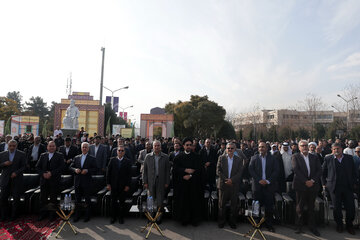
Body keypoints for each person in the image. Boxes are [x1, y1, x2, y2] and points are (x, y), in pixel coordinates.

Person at [322, 142, 357, 235]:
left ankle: (349, 225)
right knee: (337, 208)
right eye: (334, 149)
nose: (336, 150)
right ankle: (339, 225)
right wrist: (324, 184)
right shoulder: (328, 158)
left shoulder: (349, 158)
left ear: (342, 149)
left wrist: (353, 183)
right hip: (334, 188)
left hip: (347, 187)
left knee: (350, 207)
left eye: (338, 148)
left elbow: (354, 172)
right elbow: (323, 172)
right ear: (332, 150)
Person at [292, 140, 321, 236]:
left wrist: (312, 181)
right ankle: (298, 226)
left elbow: (319, 170)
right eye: (302, 146)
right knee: (299, 207)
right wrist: (306, 181)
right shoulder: (295, 157)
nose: (304, 147)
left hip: (312, 186)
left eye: (306, 145)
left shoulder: (314, 157)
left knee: (311, 207)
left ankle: (312, 227)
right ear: (299, 147)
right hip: (301, 186)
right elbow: (296, 170)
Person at [173, 137, 204, 226]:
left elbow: (200, 170)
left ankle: (195, 220)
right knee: (184, 202)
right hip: (182, 184)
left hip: (194, 184)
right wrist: (184, 171)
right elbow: (175, 170)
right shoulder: (178, 157)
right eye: (187, 145)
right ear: (183, 146)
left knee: (194, 201)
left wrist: (190, 175)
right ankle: (184, 219)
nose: (189, 147)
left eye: (190, 145)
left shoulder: (197, 157)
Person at [249, 141, 279, 232]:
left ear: (267, 148)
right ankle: (257, 223)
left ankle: (269, 224)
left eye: (263, 147)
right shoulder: (253, 158)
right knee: (256, 206)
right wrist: (259, 180)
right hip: (257, 186)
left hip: (269, 186)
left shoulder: (273, 158)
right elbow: (251, 170)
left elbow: (276, 171)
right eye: (260, 147)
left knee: (269, 206)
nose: (261, 148)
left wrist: (268, 181)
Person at [216, 142, 244, 229]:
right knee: (221, 205)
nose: (230, 150)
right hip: (223, 185)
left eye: (232, 148)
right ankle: (221, 221)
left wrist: (232, 180)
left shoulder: (239, 160)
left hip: (234, 185)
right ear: (226, 149)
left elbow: (240, 173)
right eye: (228, 148)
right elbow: (218, 171)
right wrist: (226, 180)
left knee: (233, 205)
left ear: (235, 149)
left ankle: (232, 222)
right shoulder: (221, 158)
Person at [143, 140, 170, 223]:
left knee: (160, 200)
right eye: (155, 146)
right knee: (150, 200)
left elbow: (167, 171)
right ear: (153, 147)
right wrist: (145, 182)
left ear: (160, 147)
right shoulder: (148, 156)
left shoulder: (165, 157)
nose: (157, 147)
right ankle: (150, 217)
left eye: (158, 145)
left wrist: (167, 182)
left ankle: (158, 217)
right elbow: (145, 171)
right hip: (150, 181)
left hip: (161, 181)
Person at [36, 141, 65, 221]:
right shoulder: (43, 155)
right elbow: (37, 167)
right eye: (50, 146)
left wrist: (51, 173)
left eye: (53, 146)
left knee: (53, 199)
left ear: (55, 147)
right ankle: (43, 214)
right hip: (44, 180)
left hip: (54, 181)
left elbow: (62, 167)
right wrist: (43, 174)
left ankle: (52, 215)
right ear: (47, 147)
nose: (52, 147)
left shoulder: (60, 155)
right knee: (43, 199)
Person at [70, 142, 97, 222]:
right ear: (81, 148)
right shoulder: (76, 157)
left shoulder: (92, 158)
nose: (84, 148)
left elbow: (95, 169)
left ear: (88, 149)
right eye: (83, 147)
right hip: (77, 182)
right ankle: (77, 215)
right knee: (77, 200)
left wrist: (87, 170)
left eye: (86, 147)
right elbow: (70, 167)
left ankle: (87, 215)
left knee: (87, 200)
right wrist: (75, 170)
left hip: (87, 182)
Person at [0, 140, 26, 221]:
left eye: (13, 146)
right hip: (5, 179)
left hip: (17, 179)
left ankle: (14, 216)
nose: (12, 147)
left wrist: (16, 173)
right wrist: (4, 164)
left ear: (16, 146)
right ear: (8, 145)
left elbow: (24, 166)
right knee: (3, 198)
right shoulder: (2, 154)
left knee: (16, 198)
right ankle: (4, 215)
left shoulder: (22, 154)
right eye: (10, 145)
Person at [106, 145, 132, 224]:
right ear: (116, 151)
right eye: (119, 150)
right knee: (113, 202)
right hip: (113, 185)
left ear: (124, 152)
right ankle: (113, 217)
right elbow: (108, 173)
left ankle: (121, 217)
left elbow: (129, 175)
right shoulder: (112, 160)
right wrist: (108, 184)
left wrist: (128, 185)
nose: (120, 152)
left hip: (123, 186)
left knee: (122, 202)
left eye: (122, 151)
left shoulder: (127, 161)